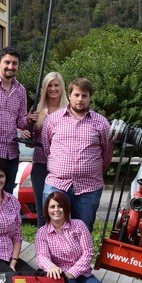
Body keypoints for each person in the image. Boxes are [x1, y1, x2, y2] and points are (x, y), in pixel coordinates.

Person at [41, 78, 113, 232]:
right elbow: (47, 149)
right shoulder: (53, 120)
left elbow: (107, 154)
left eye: (84, 96)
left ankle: (82, 256)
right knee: (53, 229)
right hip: (57, 184)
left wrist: (88, 169)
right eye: (77, 95)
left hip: (89, 187)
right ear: (69, 95)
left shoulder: (101, 123)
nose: (80, 99)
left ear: (90, 97)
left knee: (83, 231)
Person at [0, 46, 29, 194]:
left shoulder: (21, 90)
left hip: (12, 152)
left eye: (14, 63)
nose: (11, 67)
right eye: (7, 62)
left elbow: (21, 120)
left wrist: (29, 121)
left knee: (8, 194)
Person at [30, 72, 69, 227]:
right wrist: (29, 129)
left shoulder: (69, 109)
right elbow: (31, 141)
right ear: (45, 88)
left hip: (62, 167)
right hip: (40, 164)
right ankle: (42, 248)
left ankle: (60, 246)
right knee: (43, 210)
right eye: (49, 86)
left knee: (61, 210)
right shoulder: (38, 109)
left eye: (56, 85)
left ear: (62, 87)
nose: (53, 89)